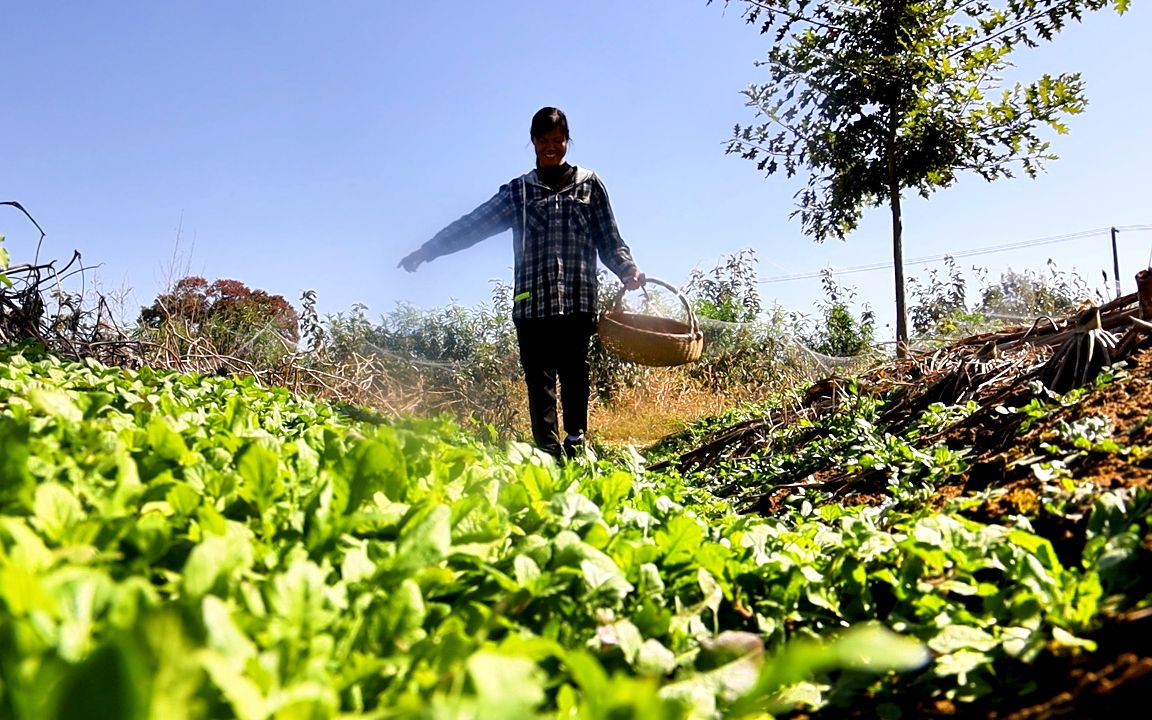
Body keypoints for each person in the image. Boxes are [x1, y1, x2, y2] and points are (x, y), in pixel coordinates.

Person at [398, 106, 645, 459]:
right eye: (544, 140)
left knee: (575, 372)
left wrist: (628, 269)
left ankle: (576, 442)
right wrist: (429, 249)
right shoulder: (520, 192)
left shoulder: (589, 186)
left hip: (577, 300)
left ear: (566, 141)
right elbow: (474, 224)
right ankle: (547, 452)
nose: (551, 147)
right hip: (533, 304)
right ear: (533, 142)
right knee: (539, 381)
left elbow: (609, 239)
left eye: (558, 140)